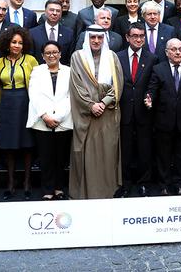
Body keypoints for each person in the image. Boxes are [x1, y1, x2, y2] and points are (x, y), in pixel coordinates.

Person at [69, 25, 124, 199]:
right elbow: (76, 86)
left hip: (107, 114)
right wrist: (91, 105)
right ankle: (85, 193)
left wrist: (103, 103)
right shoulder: (77, 57)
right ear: (87, 38)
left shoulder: (112, 57)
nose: (96, 41)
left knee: (107, 154)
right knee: (86, 155)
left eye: (100, 38)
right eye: (92, 37)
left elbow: (118, 84)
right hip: (86, 114)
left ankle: (108, 192)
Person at [145, 38, 181, 195]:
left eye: (180, 49)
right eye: (174, 49)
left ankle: (179, 184)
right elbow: (152, 89)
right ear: (167, 52)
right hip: (163, 121)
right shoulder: (158, 69)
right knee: (163, 156)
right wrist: (149, 98)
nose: (177, 52)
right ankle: (164, 185)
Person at [0, 26, 39, 200]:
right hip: (6, 104)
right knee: (8, 146)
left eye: (20, 43)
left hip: (25, 103)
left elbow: (37, 86)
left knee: (27, 144)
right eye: (14, 42)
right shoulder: (0, 62)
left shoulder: (31, 60)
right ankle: (10, 184)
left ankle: (27, 184)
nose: (17, 45)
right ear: (7, 43)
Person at [26, 41, 73, 200]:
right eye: (48, 53)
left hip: (63, 121)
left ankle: (59, 188)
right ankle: (47, 190)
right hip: (42, 121)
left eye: (55, 52)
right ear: (42, 56)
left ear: (60, 54)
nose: (51, 55)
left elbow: (70, 96)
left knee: (60, 157)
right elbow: (34, 94)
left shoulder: (69, 71)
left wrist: (58, 117)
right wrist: (45, 115)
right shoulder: (37, 71)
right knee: (45, 158)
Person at [116, 22, 158, 197]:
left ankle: (144, 183)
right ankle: (125, 184)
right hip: (123, 111)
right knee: (125, 150)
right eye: (135, 36)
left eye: (142, 36)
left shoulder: (152, 58)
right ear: (127, 37)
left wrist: (150, 96)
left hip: (144, 112)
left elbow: (154, 83)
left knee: (144, 150)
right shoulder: (116, 57)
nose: (139, 39)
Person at [30, 0, 75, 66]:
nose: (54, 13)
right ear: (45, 12)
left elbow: (70, 57)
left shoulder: (69, 33)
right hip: (39, 72)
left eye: (58, 11)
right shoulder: (32, 33)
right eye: (51, 10)